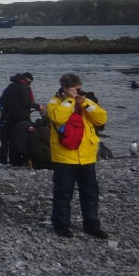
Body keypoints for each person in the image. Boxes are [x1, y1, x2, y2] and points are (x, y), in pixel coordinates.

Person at [47, 73, 109, 239]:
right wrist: (70, 100)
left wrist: (85, 103)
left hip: (87, 155)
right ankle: (61, 224)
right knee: (63, 192)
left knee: (90, 192)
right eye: (73, 88)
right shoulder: (55, 102)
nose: (77, 91)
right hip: (65, 156)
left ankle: (91, 224)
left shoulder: (86, 100)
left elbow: (101, 118)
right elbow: (57, 117)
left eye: (78, 88)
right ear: (65, 87)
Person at [0, 72, 41, 166]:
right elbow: (26, 102)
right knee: (22, 139)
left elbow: (2, 100)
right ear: (28, 80)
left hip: (9, 117)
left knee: (10, 140)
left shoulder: (10, 86)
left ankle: (11, 161)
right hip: (22, 118)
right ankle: (23, 160)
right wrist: (38, 106)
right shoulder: (25, 87)